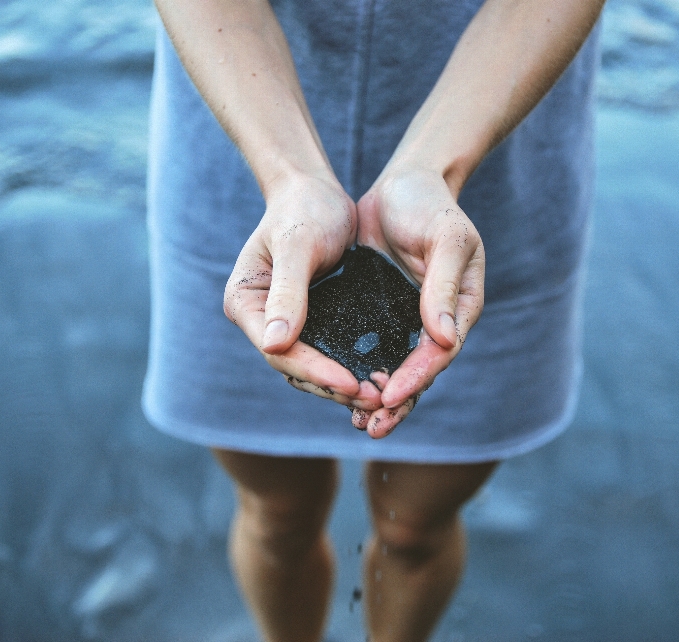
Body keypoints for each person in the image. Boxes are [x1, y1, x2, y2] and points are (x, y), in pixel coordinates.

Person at [142, 0, 603, 640]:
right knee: (277, 511)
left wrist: (433, 168)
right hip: (244, 142)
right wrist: (289, 177)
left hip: (497, 153)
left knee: (416, 528)